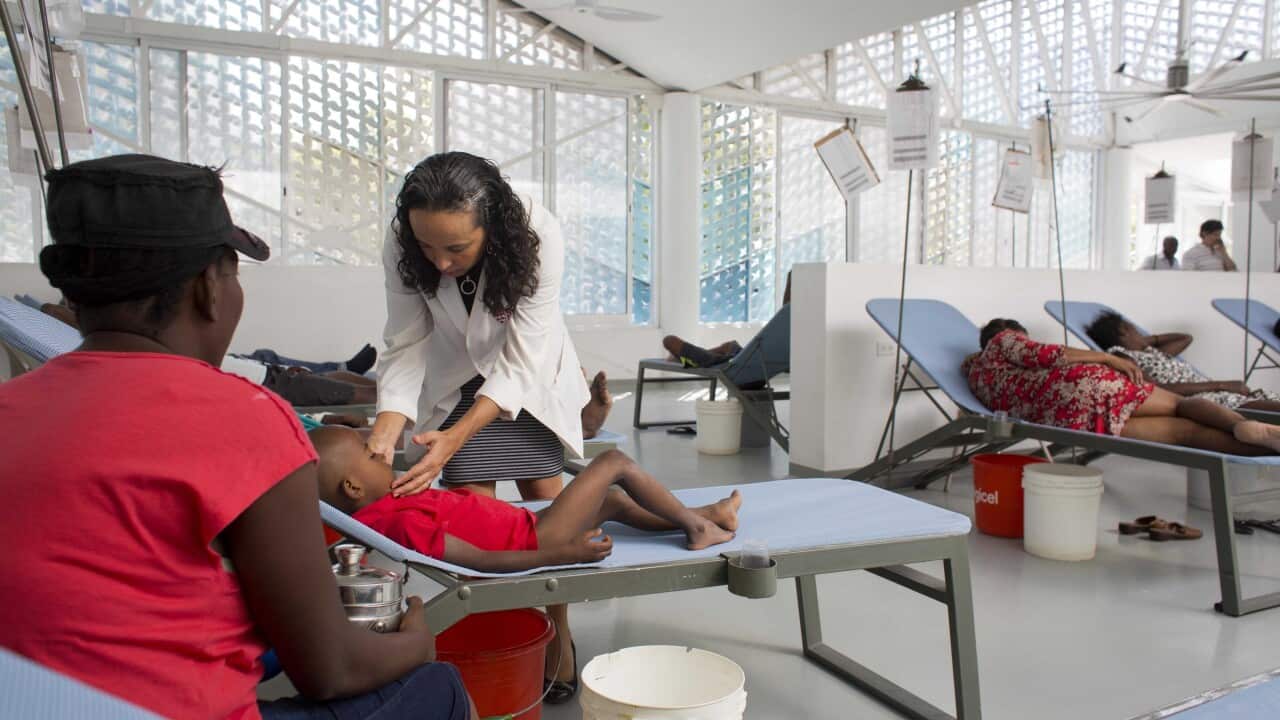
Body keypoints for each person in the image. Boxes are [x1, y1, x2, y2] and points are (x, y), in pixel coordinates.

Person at [0, 154, 476, 720]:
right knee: (438, 686)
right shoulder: (246, 416)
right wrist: (418, 641)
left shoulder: (10, 406)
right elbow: (331, 670)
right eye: (233, 272)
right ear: (208, 288)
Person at [365, 151, 591, 700]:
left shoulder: (538, 233)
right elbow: (406, 341)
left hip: (527, 375)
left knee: (546, 512)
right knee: (475, 528)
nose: (439, 263)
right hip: (455, 372)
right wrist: (383, 433)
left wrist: (452, 439)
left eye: (457, 248)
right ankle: (500, 640)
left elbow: (520, 362)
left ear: (493, 226)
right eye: (426, 247)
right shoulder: (402, 240)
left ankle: (558, 632)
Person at [314, 427, 740, 566]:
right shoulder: (397, 522)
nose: (381, 450)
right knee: (612, 462)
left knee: (612, 501)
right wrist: (562, 555)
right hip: (538, 539)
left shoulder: (388, 502)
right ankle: (698, 526)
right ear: (352, 487)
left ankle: (709, 514)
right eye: (370, 453)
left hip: (530, 528)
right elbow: (479, 561)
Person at [964, 318, 1280, 455]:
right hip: (1089, 386)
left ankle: (1258, 448)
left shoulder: (977, 375)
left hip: (1071, 419)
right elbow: (1049, 354)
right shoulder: (1004, 340)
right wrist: (1106, 358)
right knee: (1181, 406)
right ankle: (1246, 427)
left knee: (1186, 433)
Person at [34, 298, 379, 408]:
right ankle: (392, 394)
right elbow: (51, 308)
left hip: (249, 371)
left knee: (272, 356)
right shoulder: (146, 353)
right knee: (360, 393)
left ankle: (371, 380)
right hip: (261, 383)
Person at [1085, 311, 1280, 412]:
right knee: (1259, 407)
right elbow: (1154, 388)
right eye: (1134, 329)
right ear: (1123, 332)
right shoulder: (1122, 356)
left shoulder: (1153, 353)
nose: (1139, 332)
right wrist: (1220, 385)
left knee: (1268, 399)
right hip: (1202, 400)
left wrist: (1148, 340)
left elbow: (1185, 338)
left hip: (1216, 392)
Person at [661, 272, 792, 389]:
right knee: (730, 346)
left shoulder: (789, 321)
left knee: (669, 340)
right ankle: (692, 358)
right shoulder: (793, 327)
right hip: (748, 366)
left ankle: (689, 360)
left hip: (736, 370)